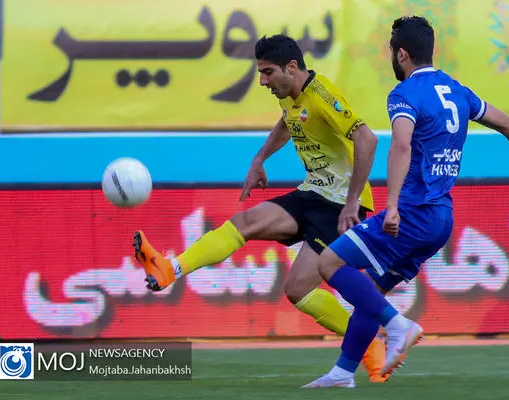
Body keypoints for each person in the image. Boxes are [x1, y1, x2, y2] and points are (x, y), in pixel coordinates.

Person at [302, 15, 509, 389]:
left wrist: (392, 206)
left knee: (329, 261)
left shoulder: (404, 94)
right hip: (441, 219)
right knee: (371, 291)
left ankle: (397, 325)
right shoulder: (458, 91)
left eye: (392, 51)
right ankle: (342, 373)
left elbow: (401, 146)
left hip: (412, 212)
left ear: (401, 54)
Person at [131, 34, 390, 381]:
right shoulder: (291, 96)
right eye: (260, 73)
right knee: (245, 222)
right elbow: (288, 123)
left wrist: (353, 200)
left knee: (297, 290)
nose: (262, 82)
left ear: (292, 67)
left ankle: (369, 343)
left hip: (340, 206)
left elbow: (367, 138)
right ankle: (169, 268)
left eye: (267, 72)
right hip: (313, 193)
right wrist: (259, 159)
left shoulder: (322, 95)